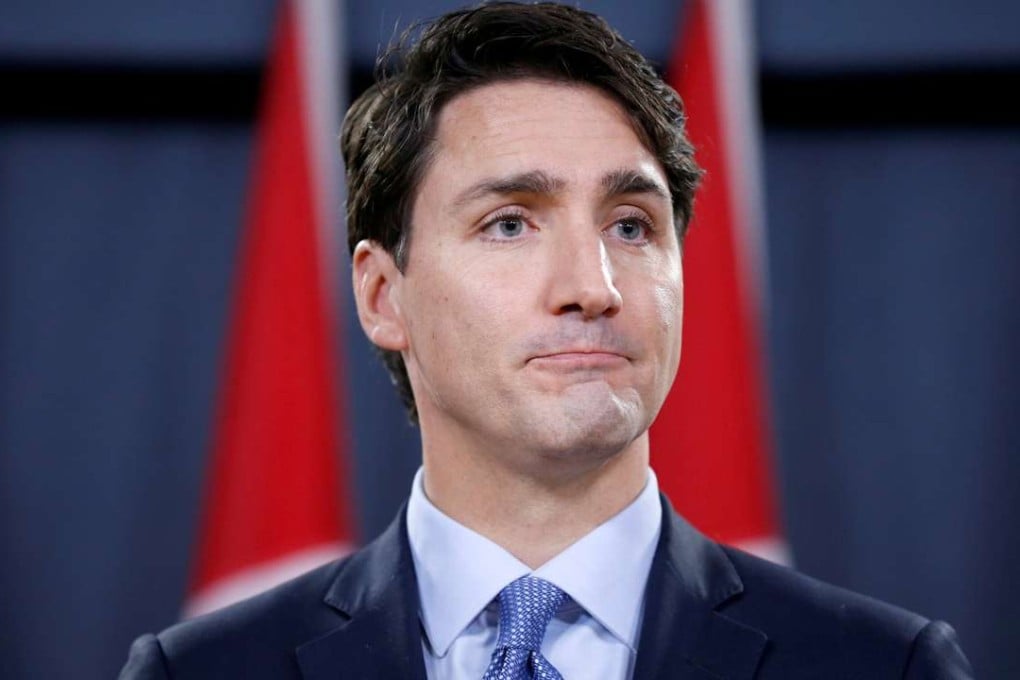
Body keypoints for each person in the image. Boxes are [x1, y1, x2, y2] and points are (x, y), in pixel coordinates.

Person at [121, 3, 973, 678]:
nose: (593, 288)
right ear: (384, 295)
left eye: (632, 227)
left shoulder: (884, 667)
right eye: (509, 223)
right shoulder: (200, 671)